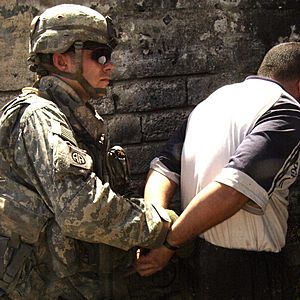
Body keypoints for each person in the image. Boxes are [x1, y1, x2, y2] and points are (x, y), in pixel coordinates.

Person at [0, 4, 177, 299]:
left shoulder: (79, 120)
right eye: (100, 56)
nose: (110, 66)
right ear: (61, 60)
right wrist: (161, 226)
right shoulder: (40, 118)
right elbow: (81, 210)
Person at [136, 42, 300, 299]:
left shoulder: (212, 102)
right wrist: (168, 244)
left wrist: (155, 226)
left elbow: (164, 168)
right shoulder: (287, 110)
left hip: (197, 260)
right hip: (248, 270)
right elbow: (233, 190)